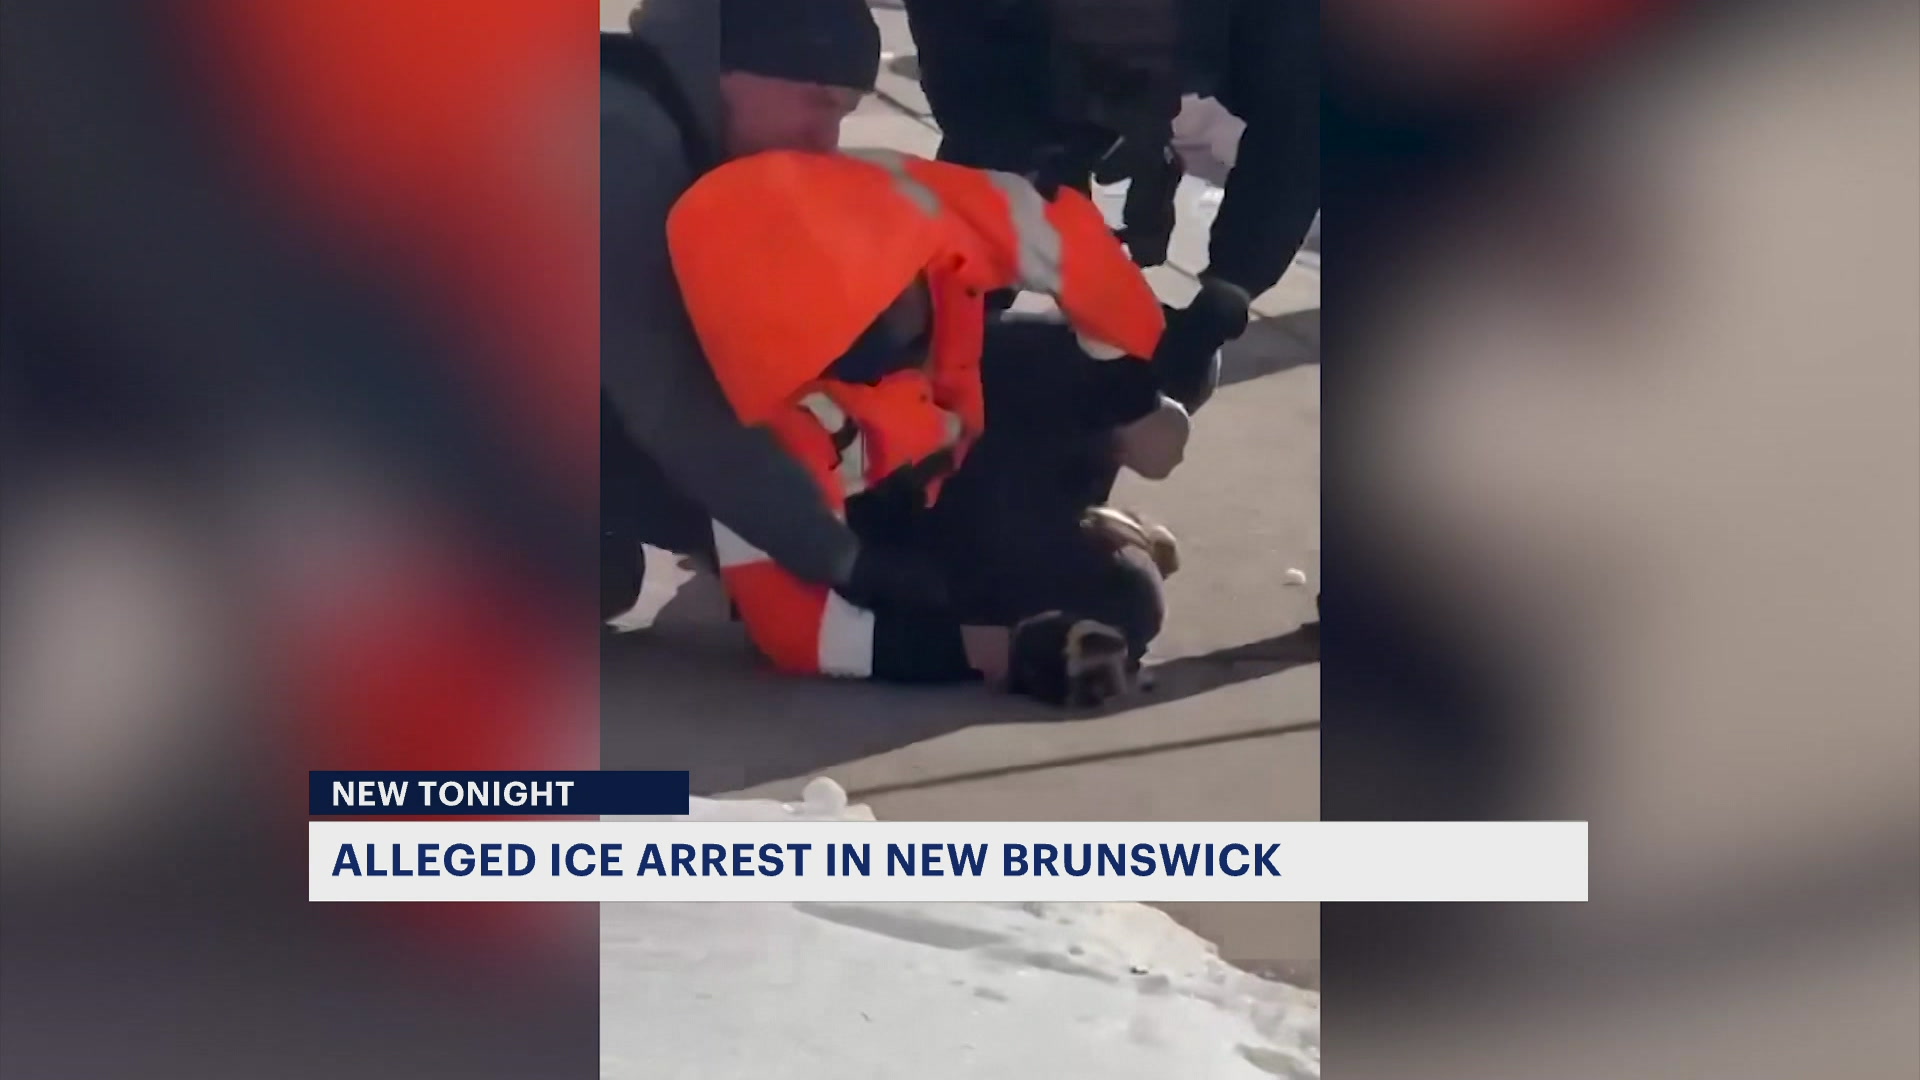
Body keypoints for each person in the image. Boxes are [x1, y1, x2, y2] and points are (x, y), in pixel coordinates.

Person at [667, 149, 1184, 705]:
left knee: (1160, 361)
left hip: (951, 413)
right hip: (885, 525)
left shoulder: (898, 204)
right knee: (1126, 599)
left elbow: (1060, 236)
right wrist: (997, 651)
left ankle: (1086, 476)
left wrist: (1128, 395)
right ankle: (1077, 507)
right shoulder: (751, 426)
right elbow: (799, 631)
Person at [602, 0, 950, 625]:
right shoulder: (617, 142)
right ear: (729, 69)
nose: (826, 139)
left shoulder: (653, 113)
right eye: (817, 101)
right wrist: (842, 558)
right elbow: (671, 400)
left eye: (843, 114)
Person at [900, 0, 1321, 413]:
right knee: (949, 296)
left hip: (1204, 40)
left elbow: (1297, 124)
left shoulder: (1279, 23)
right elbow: (977, 116)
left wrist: (1231, 288)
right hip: (1009, 63)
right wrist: (1048, 189)